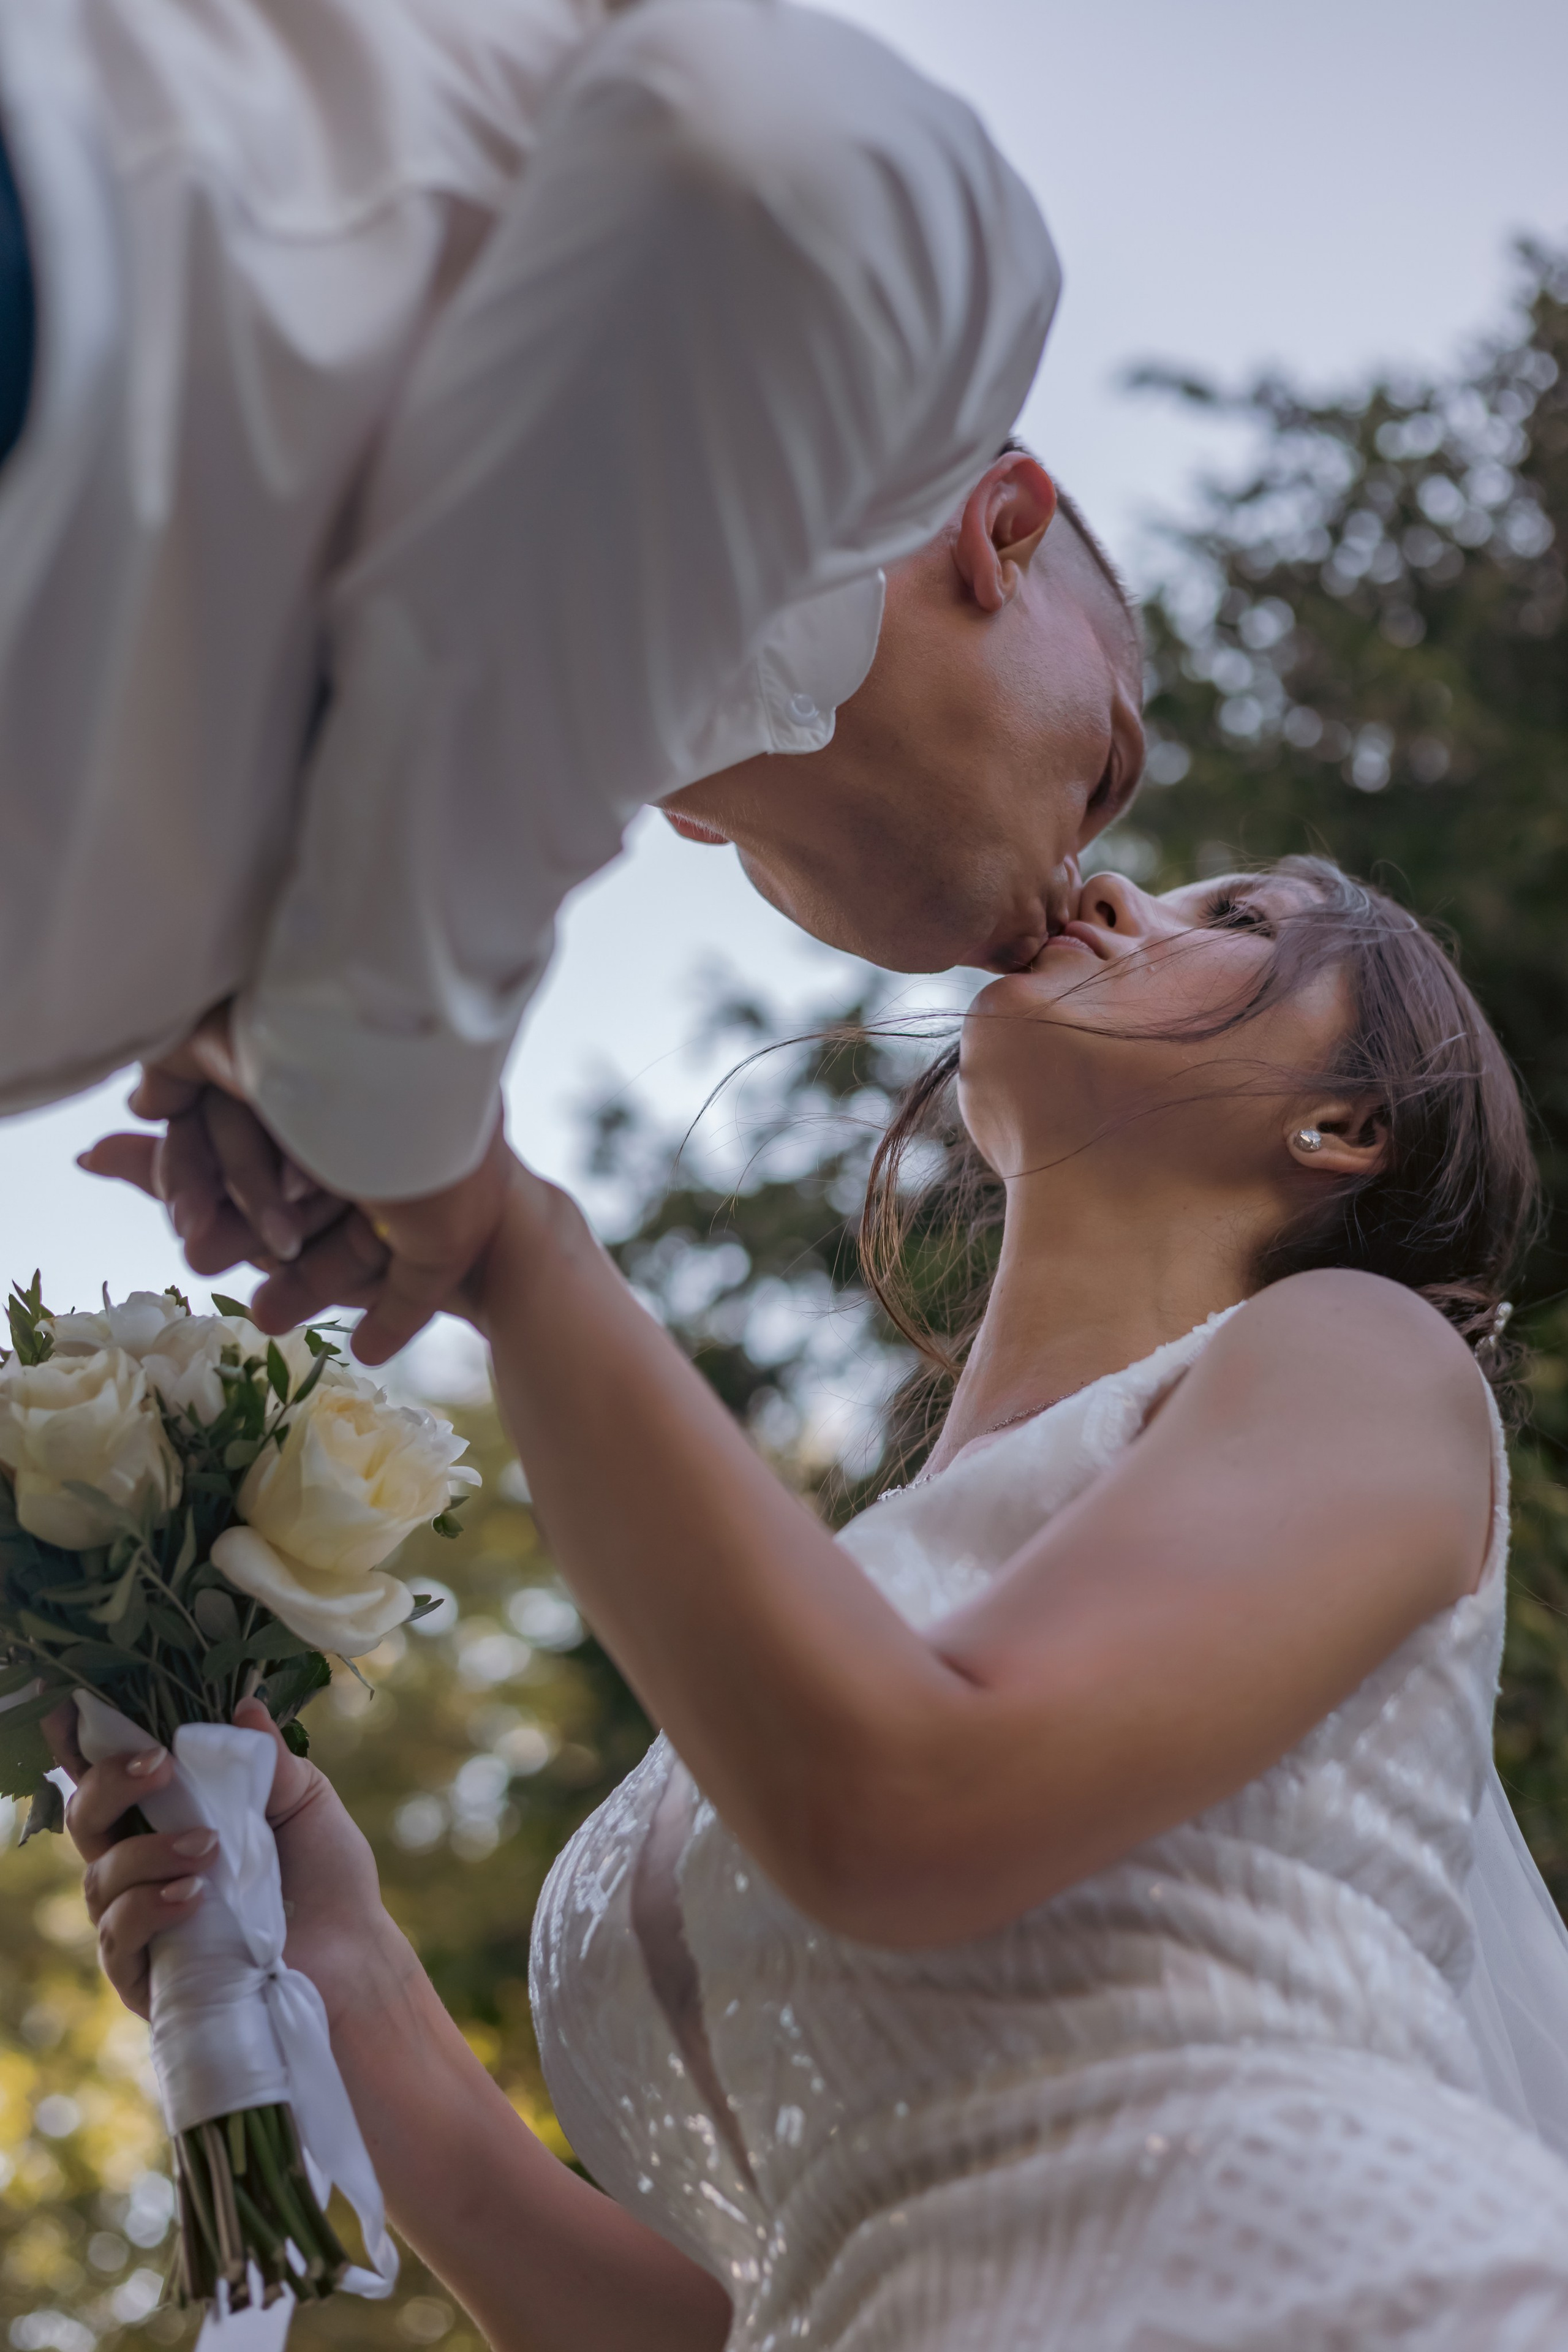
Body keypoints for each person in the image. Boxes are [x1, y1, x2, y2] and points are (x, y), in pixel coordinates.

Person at [67, 855, 1568, 2350]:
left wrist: (521, 1250)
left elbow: (915, 1796)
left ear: (1342, 1126)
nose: (1119, 890)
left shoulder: (1361, 1360)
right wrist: (355, 1996)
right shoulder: (845, 1606)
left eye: (1235, 921)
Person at [0, 0, 1142, 1355]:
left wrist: (249, 1039)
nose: (1100, 889)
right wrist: (388, 1090)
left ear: (698, 819)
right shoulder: (949, 299)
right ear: (1003, 527)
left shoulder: (415, 825)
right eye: (1107, 770)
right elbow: (750, 157)